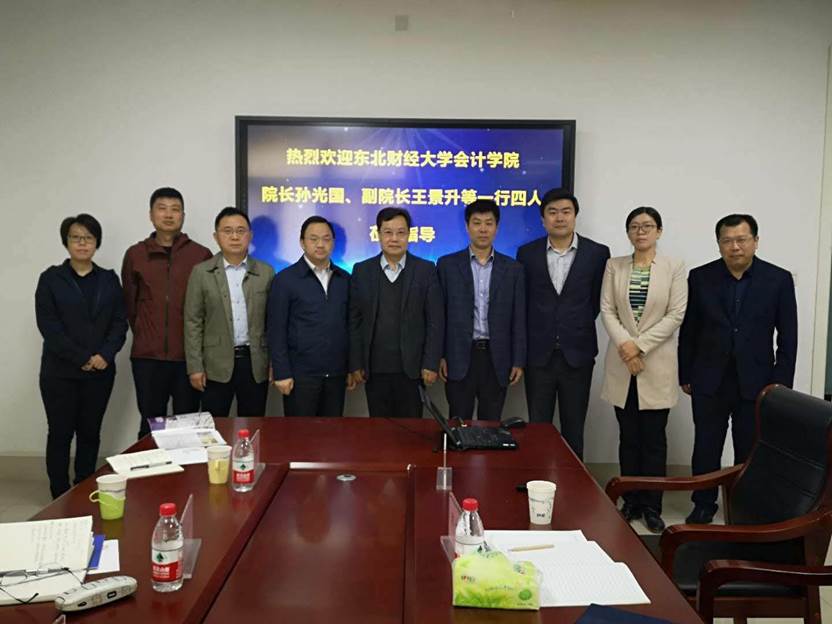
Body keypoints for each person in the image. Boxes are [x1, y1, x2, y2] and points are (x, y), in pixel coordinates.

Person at [679, 214, 797, 524]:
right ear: (719, 244)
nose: (735, 247)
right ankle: (703, 503)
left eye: (741, 240)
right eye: (727, 241)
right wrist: (685, 374)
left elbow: (788, 336)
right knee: (706, 446)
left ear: (755, 242)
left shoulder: (778, 279)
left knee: (750, 448)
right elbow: (690, 330)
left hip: (757, 381)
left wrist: (780, 384)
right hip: (709, 378)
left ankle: (744, 506)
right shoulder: (700, 277)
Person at [600, 207, 687, 533]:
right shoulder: (615, 266)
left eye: (648, 226)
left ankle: (652, 505)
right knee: (628, 438)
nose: (641, 231)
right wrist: (626, 346)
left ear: (659, 231)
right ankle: (631, 500)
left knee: (653, 440)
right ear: (628, 232)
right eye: (635, 226)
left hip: (655, 362)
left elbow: (676, 314)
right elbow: (607, 310)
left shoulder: (674, 267)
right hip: (623, 364)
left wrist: (639, 347)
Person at [35, 214, 128, 498]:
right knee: (60, 433)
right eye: (76, 238)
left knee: (90, 432)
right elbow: (49, 326)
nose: (82, 243)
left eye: (88, 238)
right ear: (66, 242)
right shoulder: (51, 279)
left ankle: (84, 488)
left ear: (97, 242)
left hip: (100, 372)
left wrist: (105, 355)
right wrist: (82, 358)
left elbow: (119, 322)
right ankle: (59, 492)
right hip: (60, 373)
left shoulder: (109, 279)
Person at [516, 188, 610, 460]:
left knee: (574, 427)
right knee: (538, 427)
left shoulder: (597, 253)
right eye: (553, 212)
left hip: (577, 355)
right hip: (538, 356)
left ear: (575, 216)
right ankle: (537, 479)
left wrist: (573, 325)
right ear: (543, 219)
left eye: (566, 212)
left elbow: (597, 300)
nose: (559, 218)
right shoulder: (527, 253)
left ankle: (574, 482)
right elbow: (524, 302)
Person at [122, 187, 212, 439]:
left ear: (183, 215)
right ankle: (148, 465)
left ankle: (185, 467)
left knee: (187, 424)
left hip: (188, 359)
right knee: (150, 424)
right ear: (151, 215)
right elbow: (130, 305)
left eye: (175, 209)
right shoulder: (136, 254)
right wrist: (146, 334)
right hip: (148, 358)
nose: (169, 215)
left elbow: (208, 308)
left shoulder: (200, 255)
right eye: (162, 209)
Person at [349, 207, 443, 418]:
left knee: (411, 429)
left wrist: (431, 363)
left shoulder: (425, 270)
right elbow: (354, 321)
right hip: (374, 369)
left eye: (400, 233)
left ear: (409, 235)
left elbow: (435, 321)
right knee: (379, 428)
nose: (394, 239)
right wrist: (356, 363)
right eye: (388, 232)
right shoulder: (362, 271)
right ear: (378, 234)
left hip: (413, 369)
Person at [437, 199, 526, 422]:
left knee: (492, 422)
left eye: (489, 223)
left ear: (497, 227)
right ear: (467, 227)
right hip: (459, 355)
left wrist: (518, 360)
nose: (483, 229)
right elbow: (440, 315)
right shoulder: (447, 265)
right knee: (458, 421)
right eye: (477, 223)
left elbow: (518, 318)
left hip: (497, 358)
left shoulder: (513, 269)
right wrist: (440, 355)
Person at [184, 207, 274, 417]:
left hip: (255, 362)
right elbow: (192, 322)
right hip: (214, 364)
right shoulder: (202, 272)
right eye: (227, 231)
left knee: (253, 424)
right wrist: (195, 367)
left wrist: (274, 363)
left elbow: (273, 322)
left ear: (250, 236)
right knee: (215, 425)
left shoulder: (266, 272)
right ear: (216, 237)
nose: (234, 236)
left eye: (241, 231)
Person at [268, 216, 350, 417]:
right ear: (302, 242)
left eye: (326, 238)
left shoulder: (344, 279)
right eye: (313, 239)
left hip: (336, 375)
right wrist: (281, 371)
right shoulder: (285, 280)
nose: (320, 244)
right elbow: (276, 329)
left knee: (333, 432)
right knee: (300, 433)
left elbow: (350, 326)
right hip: (300, 376)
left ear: (333, 242)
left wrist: (350, 367)